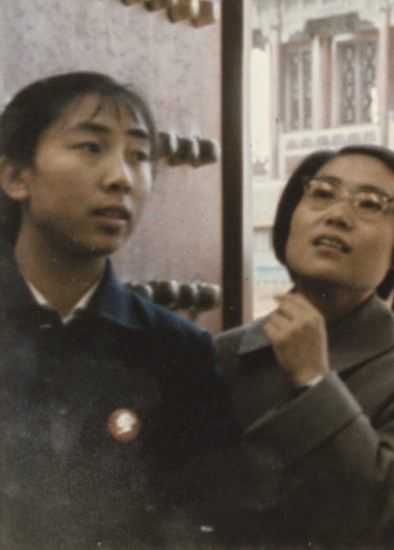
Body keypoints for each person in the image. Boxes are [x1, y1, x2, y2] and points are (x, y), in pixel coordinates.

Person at [0, 71, 234, 548]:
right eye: (90, 147)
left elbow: (207, 521)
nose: (120, 178)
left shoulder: (177, 351)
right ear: (16, 176)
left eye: (140, 157)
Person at [209, 145, 394, 548]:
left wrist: (314, 382)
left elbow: (385, 519)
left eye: (369, 204)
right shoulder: (221, 355)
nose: (337, 215)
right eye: (322, 193)